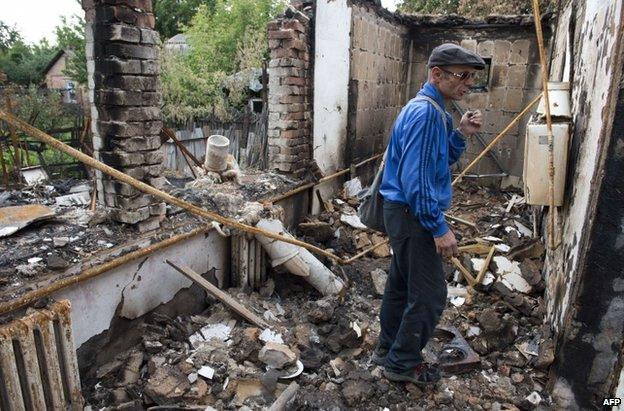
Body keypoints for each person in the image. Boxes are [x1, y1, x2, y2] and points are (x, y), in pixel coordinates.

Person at [373, 43, 485, 385]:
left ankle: (387, 349)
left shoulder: (434, 111)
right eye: (462, 76)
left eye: (473, 78)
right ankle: (402, 363)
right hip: (413, 213)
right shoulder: (425, 113)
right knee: (431, 294)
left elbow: (435, 163)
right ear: (436, 74)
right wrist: (438, 227)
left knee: (402, 283)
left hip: (403, 211)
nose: (469, 84)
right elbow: (417, 180)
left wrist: (461, 133)